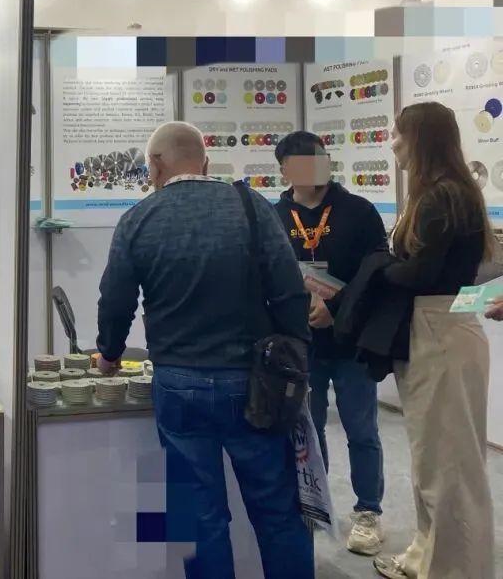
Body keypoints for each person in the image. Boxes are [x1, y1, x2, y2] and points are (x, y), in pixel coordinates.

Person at [96, 121, 313, 579]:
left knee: (196, 518)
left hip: (177, 385)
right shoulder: (252, 206)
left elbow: (115, 301)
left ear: (156, 163)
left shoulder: (137, 219)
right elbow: (291, 291)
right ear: (205, 162)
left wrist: (109, 355)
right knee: (278, 511)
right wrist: (295, 361)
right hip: (253, 383)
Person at [370, 101, 494, 579]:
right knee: (433, 460)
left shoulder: (442, 196)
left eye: (397, 135)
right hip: (439, 328)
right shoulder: (447, 192)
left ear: (420, 139)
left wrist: (376, 267)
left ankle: (453, 569)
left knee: (448, 467)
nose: (393, 144)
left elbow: (420, 273)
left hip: (439, 330)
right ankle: (427, 556)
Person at [273, 131, 387, 555]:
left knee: (362, 429)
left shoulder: (359, 211)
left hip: (351, 341)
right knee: (308, 428)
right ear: (284, 170)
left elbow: (377, 274)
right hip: (301, 343)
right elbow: (267, 274)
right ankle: (316, 504)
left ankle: (368, 511)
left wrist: (336, 309)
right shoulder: (274, 216)